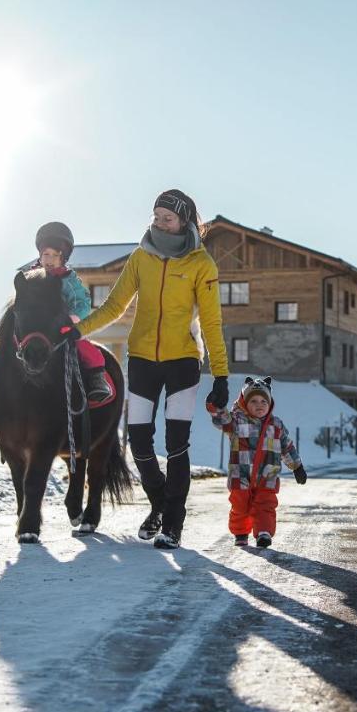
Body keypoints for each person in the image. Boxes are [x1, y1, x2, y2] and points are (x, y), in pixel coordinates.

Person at [72, 189, 230, 550]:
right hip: (142, 358)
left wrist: (220, 375)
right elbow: (114, 306)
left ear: (184, 221)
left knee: (177, 444)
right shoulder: (141, 257)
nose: (159, 222)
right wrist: (76, 331)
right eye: (156, 216)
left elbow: (211, 322)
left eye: (167, 217)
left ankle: (173, 522)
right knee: (140, 441)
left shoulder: (201, 265)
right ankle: (159, 502)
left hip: (183, 362)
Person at [0, 222, 112, 404]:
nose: (49, 259)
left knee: (82, 345)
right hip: (34, 326)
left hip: (59, 324)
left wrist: (73, 318)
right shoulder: (31, 277)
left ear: (63, 258)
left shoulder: (68, 280)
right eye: (45, 254)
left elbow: (82, 302)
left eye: (55, 255)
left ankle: (97, 377)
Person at [207, 376, 307, 548]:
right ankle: (240, 533)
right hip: (241, 473)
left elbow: (287, 446)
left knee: (266, 504)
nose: (259, 405)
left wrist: (297, 466)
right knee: (240, 505)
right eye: (253, 401)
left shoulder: (276, 425)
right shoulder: (236, 421)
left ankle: (264, 533)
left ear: (270, 403)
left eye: (263, 401)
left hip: (267, 474)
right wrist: (214, 406)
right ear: (245, 402)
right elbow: (221, 419)